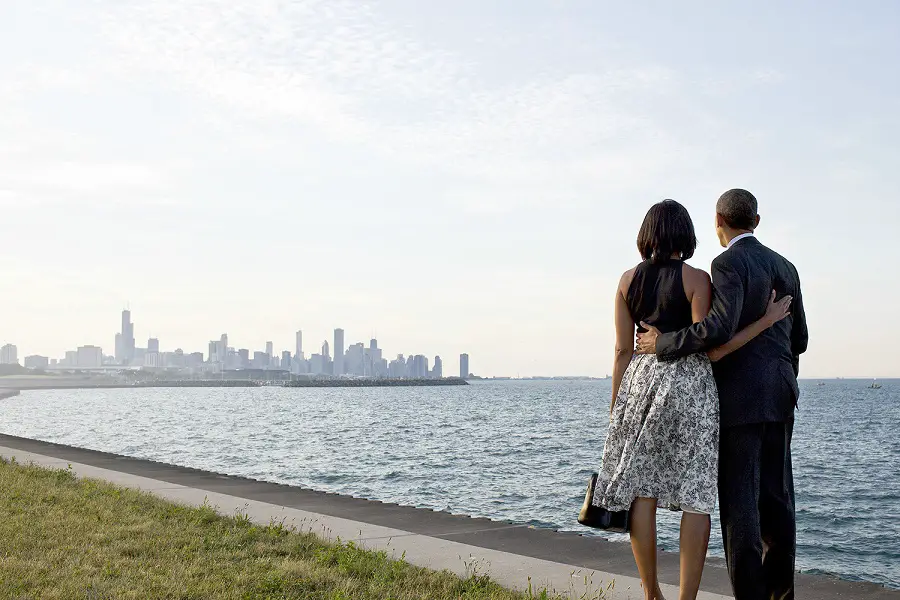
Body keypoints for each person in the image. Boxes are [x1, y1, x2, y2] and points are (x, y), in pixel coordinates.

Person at [595, 199, 791, 600]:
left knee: (642, 493)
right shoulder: (697, 279)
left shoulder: (625, 281)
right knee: (696, 496)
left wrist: (617, 408)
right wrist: (766, 321)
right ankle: (687, 598)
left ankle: (651, 592)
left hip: (640, 387)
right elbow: (711, 347)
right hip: (691, 388)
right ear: (686, 233)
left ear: (646, 234)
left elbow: (621, 351)